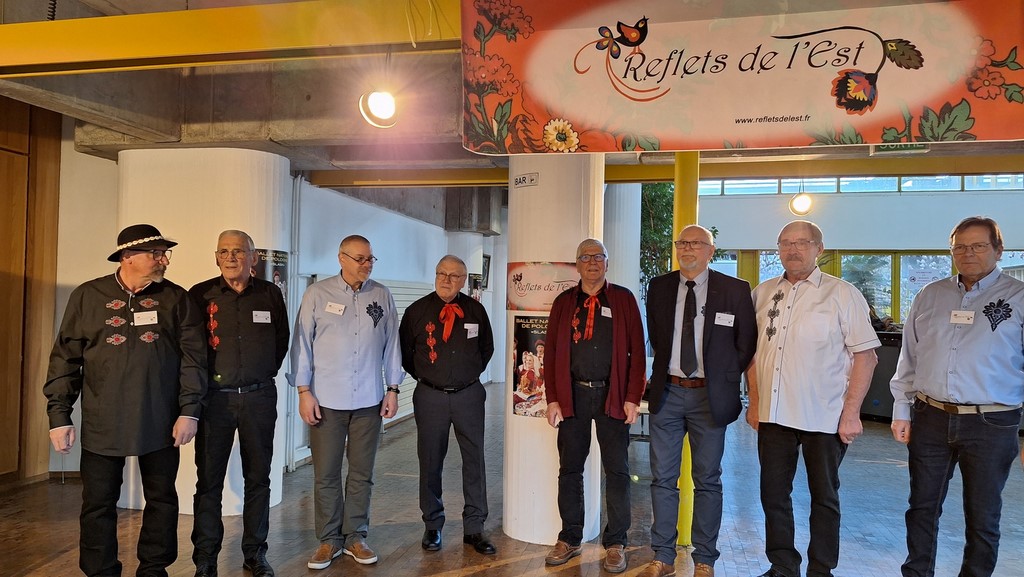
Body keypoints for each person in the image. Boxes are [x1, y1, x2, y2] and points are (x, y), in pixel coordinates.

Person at [43, 223, 207, 577]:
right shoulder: (88, 296)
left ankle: (154, 569)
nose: (164, 260)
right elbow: (65, 359)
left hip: (161, 418)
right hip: (104, 420)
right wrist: (59, 416)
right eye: (156, 253)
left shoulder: (176, 299)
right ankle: (100, 571)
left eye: (165, 253)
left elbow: (194, 360)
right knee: (98, 503)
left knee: (162, 499)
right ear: (128, 256)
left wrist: (190, 411)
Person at [890, 216, 1024, 577]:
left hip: (992, 422)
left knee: (983, 515)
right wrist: (901, 409)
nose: (968, 253)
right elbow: (909, 357)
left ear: (998, 250)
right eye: (960, 247)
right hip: (930, 416)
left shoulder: (1019, 297)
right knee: (921, 507)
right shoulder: (930, 295)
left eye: (978, 246)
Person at [746, 220, 879, 577]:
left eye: (802, 242)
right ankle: (782, 566)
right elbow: (752, 355)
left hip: (825, 416)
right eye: (785, 243)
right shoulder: (762, 293)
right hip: (774, 415)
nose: (793, 249)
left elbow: (866, 356)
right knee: (773, 495)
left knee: (824, 498)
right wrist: (755, 403)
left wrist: (851, 413)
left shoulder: (842, 293)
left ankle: (821, 569)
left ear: (819, 248)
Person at [639, 225, 758, 577]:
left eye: (695, 243)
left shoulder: (734, 290)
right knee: (663, 478)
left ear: (710, 250)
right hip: (668, 393)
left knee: (707, 479)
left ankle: (705, 559)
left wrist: (723, 377)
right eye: (681, 242)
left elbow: (746, 343)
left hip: (710, 397)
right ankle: (663, 556)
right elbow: (658, 338)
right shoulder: (659, 287)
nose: (686, 248)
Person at [289, 234, 403, 571]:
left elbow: (392, 344)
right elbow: (301, 345)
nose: (367, 264)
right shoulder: (317, 294)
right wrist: (303, 392)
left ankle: (355, 536)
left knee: (362, 473)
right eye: (360, 258)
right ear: (341, 258)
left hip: (369, 400)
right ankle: (329, 539)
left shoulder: (381, 294)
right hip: (326, 400)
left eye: (370, 259)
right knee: (326, 473)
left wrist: (393, 388)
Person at [189, 230, 289, 577]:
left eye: (239, 251)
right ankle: (205, 558)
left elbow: (281, 340)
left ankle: (255, 553)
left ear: (253, 257)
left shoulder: (270, 294)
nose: (231, 257)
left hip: (260, 398)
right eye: (224, 251)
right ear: (216, 257)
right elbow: (190, 347)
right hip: (215, 401)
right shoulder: (199, 295)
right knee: (208, 482)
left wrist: (261, 373)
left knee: (258, 478)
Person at [542, 239, 646, 573]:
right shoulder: (564, 303)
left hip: (612, 395)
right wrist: (553, 398)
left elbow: (638, 352)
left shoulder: (623, 299)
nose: (592, 262)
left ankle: (616, 541)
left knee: (617, 471)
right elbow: (551, 353)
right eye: (585, 257)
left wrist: (633, 397)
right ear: (577, 265)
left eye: (598, 256)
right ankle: (570, 537)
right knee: (570, 469)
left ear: (607, 263)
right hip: (572, 396)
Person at [399, 255, 497, 555]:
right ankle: (432, 524)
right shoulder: (416, 311)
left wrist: (466, 375)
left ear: (463, 280)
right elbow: (406, 354)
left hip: (469, 396)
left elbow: (487, 349)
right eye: (441, 273)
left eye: (454, 276)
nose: (446, 280)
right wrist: (431, 378)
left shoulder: (476, 311)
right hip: (430, 396)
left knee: (474, 460)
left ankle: (475, 527)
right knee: (430, 460)